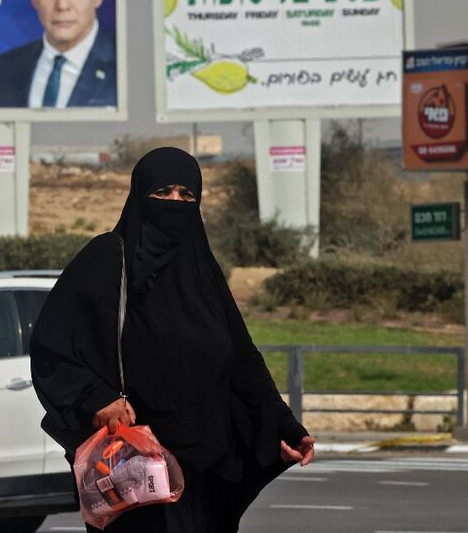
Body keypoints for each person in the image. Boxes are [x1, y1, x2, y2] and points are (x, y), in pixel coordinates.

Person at [31, 148, 315, 533]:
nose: (175, 203)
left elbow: (241, 358)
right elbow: (53, 347)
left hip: (207, 463)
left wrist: (282, 425)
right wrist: (98, 398)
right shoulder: (106, 260)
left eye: (187, 195)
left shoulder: (203, 273)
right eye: (162, 192)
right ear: (138, 195)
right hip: (135, 462)